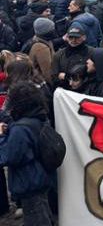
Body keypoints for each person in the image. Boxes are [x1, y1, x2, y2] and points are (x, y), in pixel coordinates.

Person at [0, 82, 55, 226]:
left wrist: (1, 136)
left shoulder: (20, 129)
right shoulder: (39, 118)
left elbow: (8, 156)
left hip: (29, 182)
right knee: (44, 214)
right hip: (41, 177)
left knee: (36, 218)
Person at [51, 24, 91, 89]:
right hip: (65, 91)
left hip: (85, 91)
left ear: (84, 37)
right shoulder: (58, 55)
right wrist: (67, 78)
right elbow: (54, 76)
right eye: (71, 37)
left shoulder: (91, 53)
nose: (73, 40)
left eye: (77, 37)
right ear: (66, 37)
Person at [29, 18, 55, 86]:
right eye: (52, 28)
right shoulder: (42, 48)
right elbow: (47, 72)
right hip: (40, 83)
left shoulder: (41, 40)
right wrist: (54, 85)